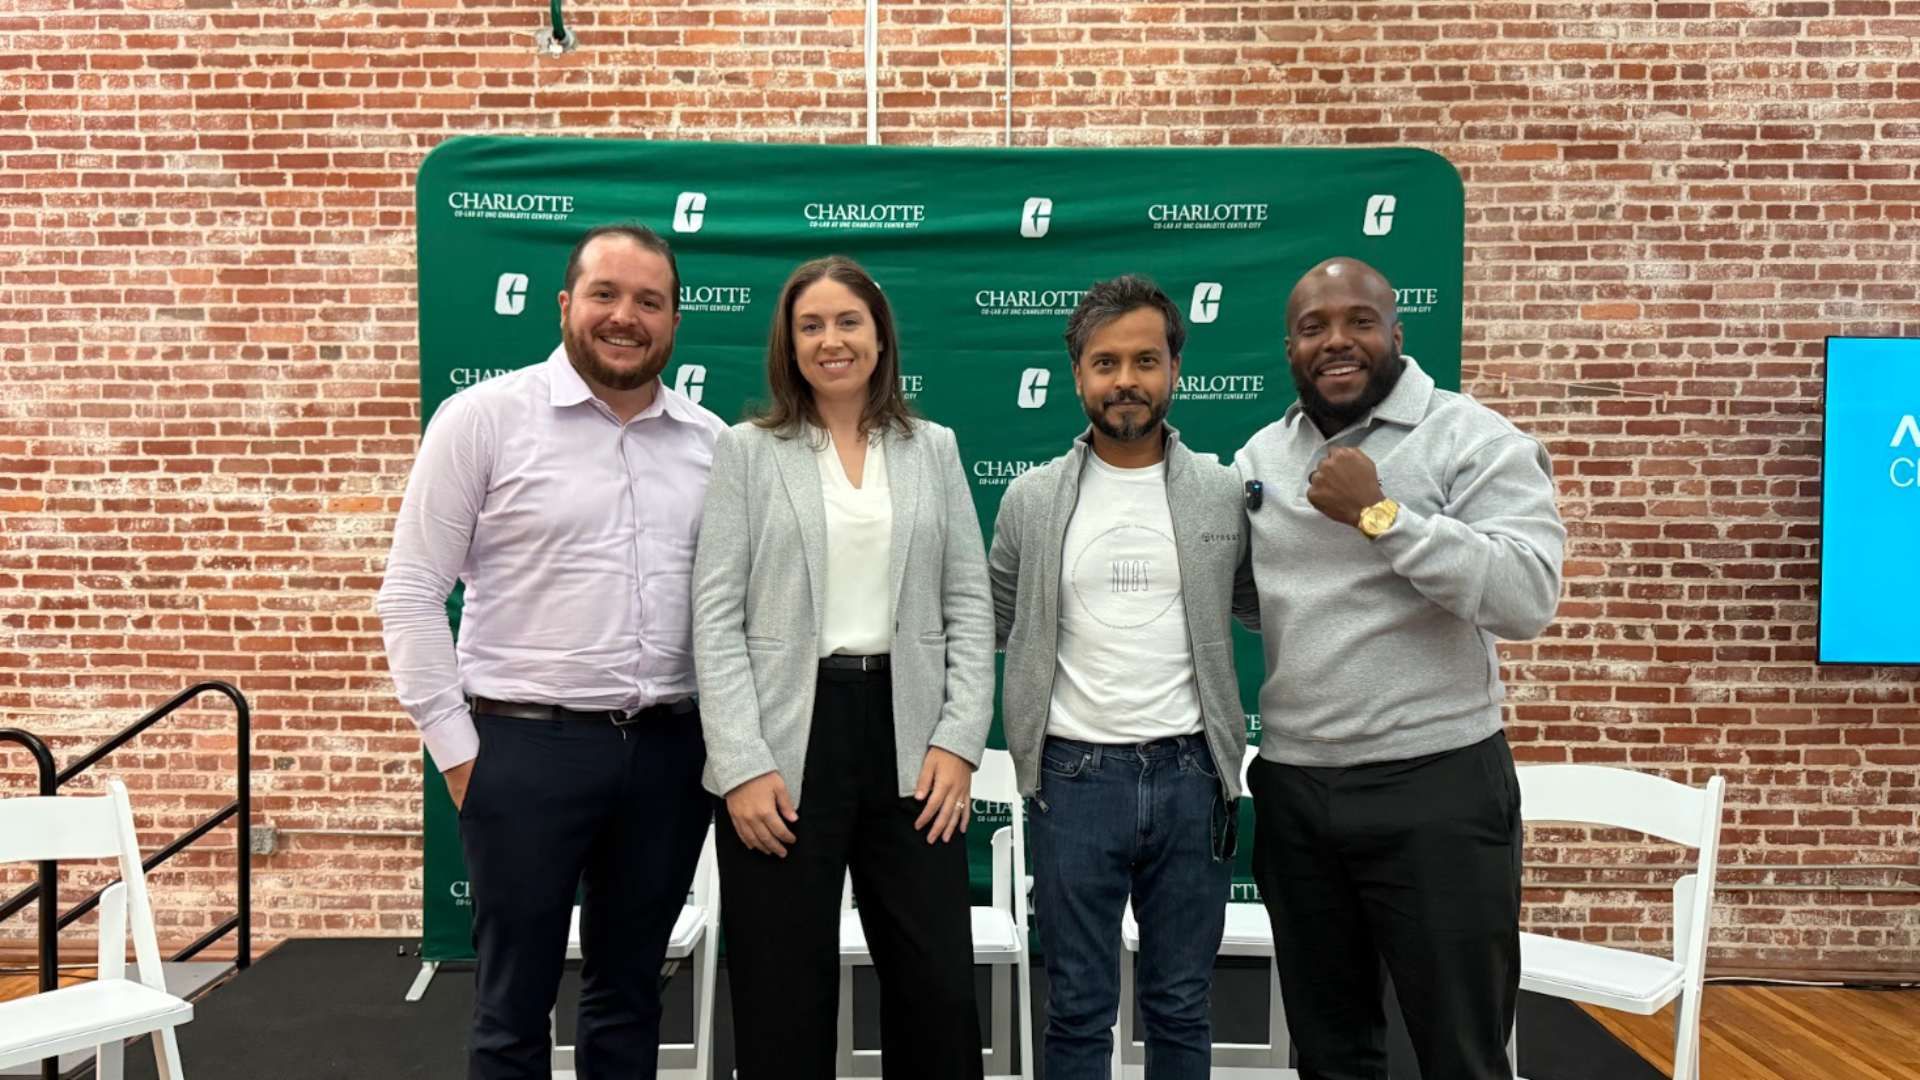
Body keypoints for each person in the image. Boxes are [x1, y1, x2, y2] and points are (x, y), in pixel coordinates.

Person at [377, 224, 725, 1080]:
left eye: (649, 301)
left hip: (669, 754)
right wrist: (462, 759)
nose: (625, 316)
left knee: (631, 994)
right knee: (511, 1006)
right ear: (567, 304)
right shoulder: (483, 421)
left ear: (675, 323)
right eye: (605, 294)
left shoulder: (712, 444)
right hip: (523, 750)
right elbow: (412, 592)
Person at [1235, 256, 1566, 1080]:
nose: (1336, 341)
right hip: (1297, 793)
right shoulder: (1260, 457)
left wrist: (1381, 515)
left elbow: (1526, 596)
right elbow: (1260, 597)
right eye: (1314, 328)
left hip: (1439, 791)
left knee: (1462, 1050)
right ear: (1290, 348)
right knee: (1330, 1053)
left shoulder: (1472, 437)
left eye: (1358, 321)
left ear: (1395, 332)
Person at [691, 255, 994, 1080]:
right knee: (782, 992)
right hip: (788, 744)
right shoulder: (748, 453)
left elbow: (968, 603)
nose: (832, 341)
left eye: (848, 322)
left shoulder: (934, 448)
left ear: (880, 335)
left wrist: (960, 741)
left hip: (911, 740)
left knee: (936, 988)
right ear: (788, 346)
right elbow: (714, 618)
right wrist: (742, 764)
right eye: (811, 325)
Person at [987, 274, 1257, 1079]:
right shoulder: (1031, 500)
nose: (1126, 380)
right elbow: (985, 626)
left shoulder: (1221, 492)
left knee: (1180, 1005)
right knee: (1076, 1009)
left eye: (1146, 359)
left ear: (1176, 368)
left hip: (1192, 778)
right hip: (1073, 781)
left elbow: (1268, 605)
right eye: (1105, 363)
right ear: (1078, 377)